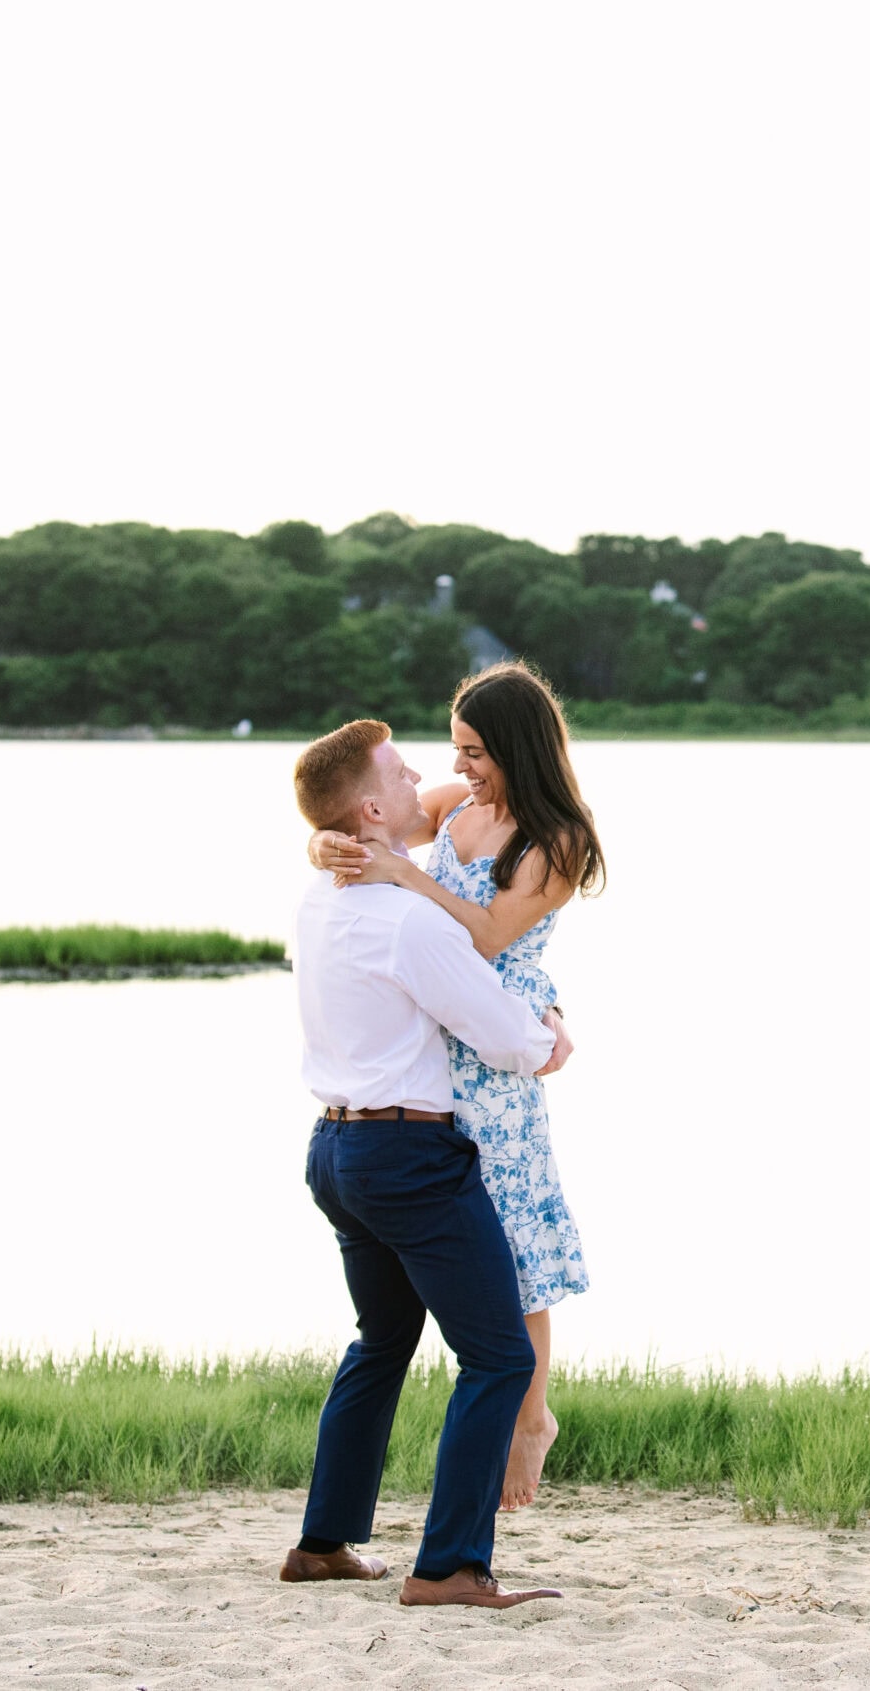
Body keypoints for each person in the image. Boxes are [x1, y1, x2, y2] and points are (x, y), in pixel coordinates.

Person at [283, 716, 568, 1609]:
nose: (423, 778)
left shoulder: (322, 899)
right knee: (495, 1357)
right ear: (372, 806)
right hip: (407, 1157)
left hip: (335, 1150)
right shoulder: (409, 920)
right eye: (402, 771)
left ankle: (324, 1542)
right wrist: (549, 1037)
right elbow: (500, 1030)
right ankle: (448, 1564)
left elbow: (400, 831)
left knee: (383, 1339)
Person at [307, 663, 604, 1510]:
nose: (461, 767)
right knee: (449, 1272)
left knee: (519, 1256)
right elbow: (365, 815)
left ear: (515, 746)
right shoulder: (454, 807)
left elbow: (483, 936)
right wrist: (322, 844)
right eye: (456, 750)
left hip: (501, 1059)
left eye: (475, 752)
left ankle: (531, 1418)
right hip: (435, 1053)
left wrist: (406, 878)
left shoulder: (557, 837)